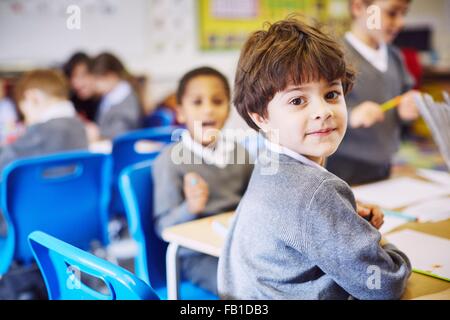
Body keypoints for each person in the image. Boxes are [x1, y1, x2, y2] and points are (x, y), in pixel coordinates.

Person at [217, 17, 411, 300]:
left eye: (332, 94)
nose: (323, 111)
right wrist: (380, 244)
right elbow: (384, 285)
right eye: (298, 101)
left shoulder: (268, 164)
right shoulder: (315, 191)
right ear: (261, 118)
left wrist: (344, 223)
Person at [153, 67, 254, 294]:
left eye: (217, 101)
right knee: (247, 289)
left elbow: (254, 205)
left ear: (228, 110)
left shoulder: (241, 154)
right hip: (198, 258)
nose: (208, 109)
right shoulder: (169, 161)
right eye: (197, 102)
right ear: (180, 112)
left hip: (239, 247)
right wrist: (191, 207)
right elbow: (163, 227)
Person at [326, 0, 420, 185]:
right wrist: (352, 116)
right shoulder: (333, 56)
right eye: (392, 13)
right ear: (359, 8)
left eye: (404, 13)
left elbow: (405, 100)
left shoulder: (395, 57)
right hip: (342, 172)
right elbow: (316, 111)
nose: (400, 22)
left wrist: (407, 111)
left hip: (383, 167)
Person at [0, 69, 87, 173]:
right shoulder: (79, 126)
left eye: (23, 110)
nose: (25, 118)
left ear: (32, 97)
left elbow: (4, 164)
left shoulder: (40, 132)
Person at [88, 52, 143, 141]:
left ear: (111, 76)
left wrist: (98, 133)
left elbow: (122, 131)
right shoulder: (108, 97)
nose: (95, 85)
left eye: (97, 79)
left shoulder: (126, 98)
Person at [63, 52, 100, 122]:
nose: (77, 84)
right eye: (72, 77)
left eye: (83, 75)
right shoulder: (70, 102)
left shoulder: (107, 102)